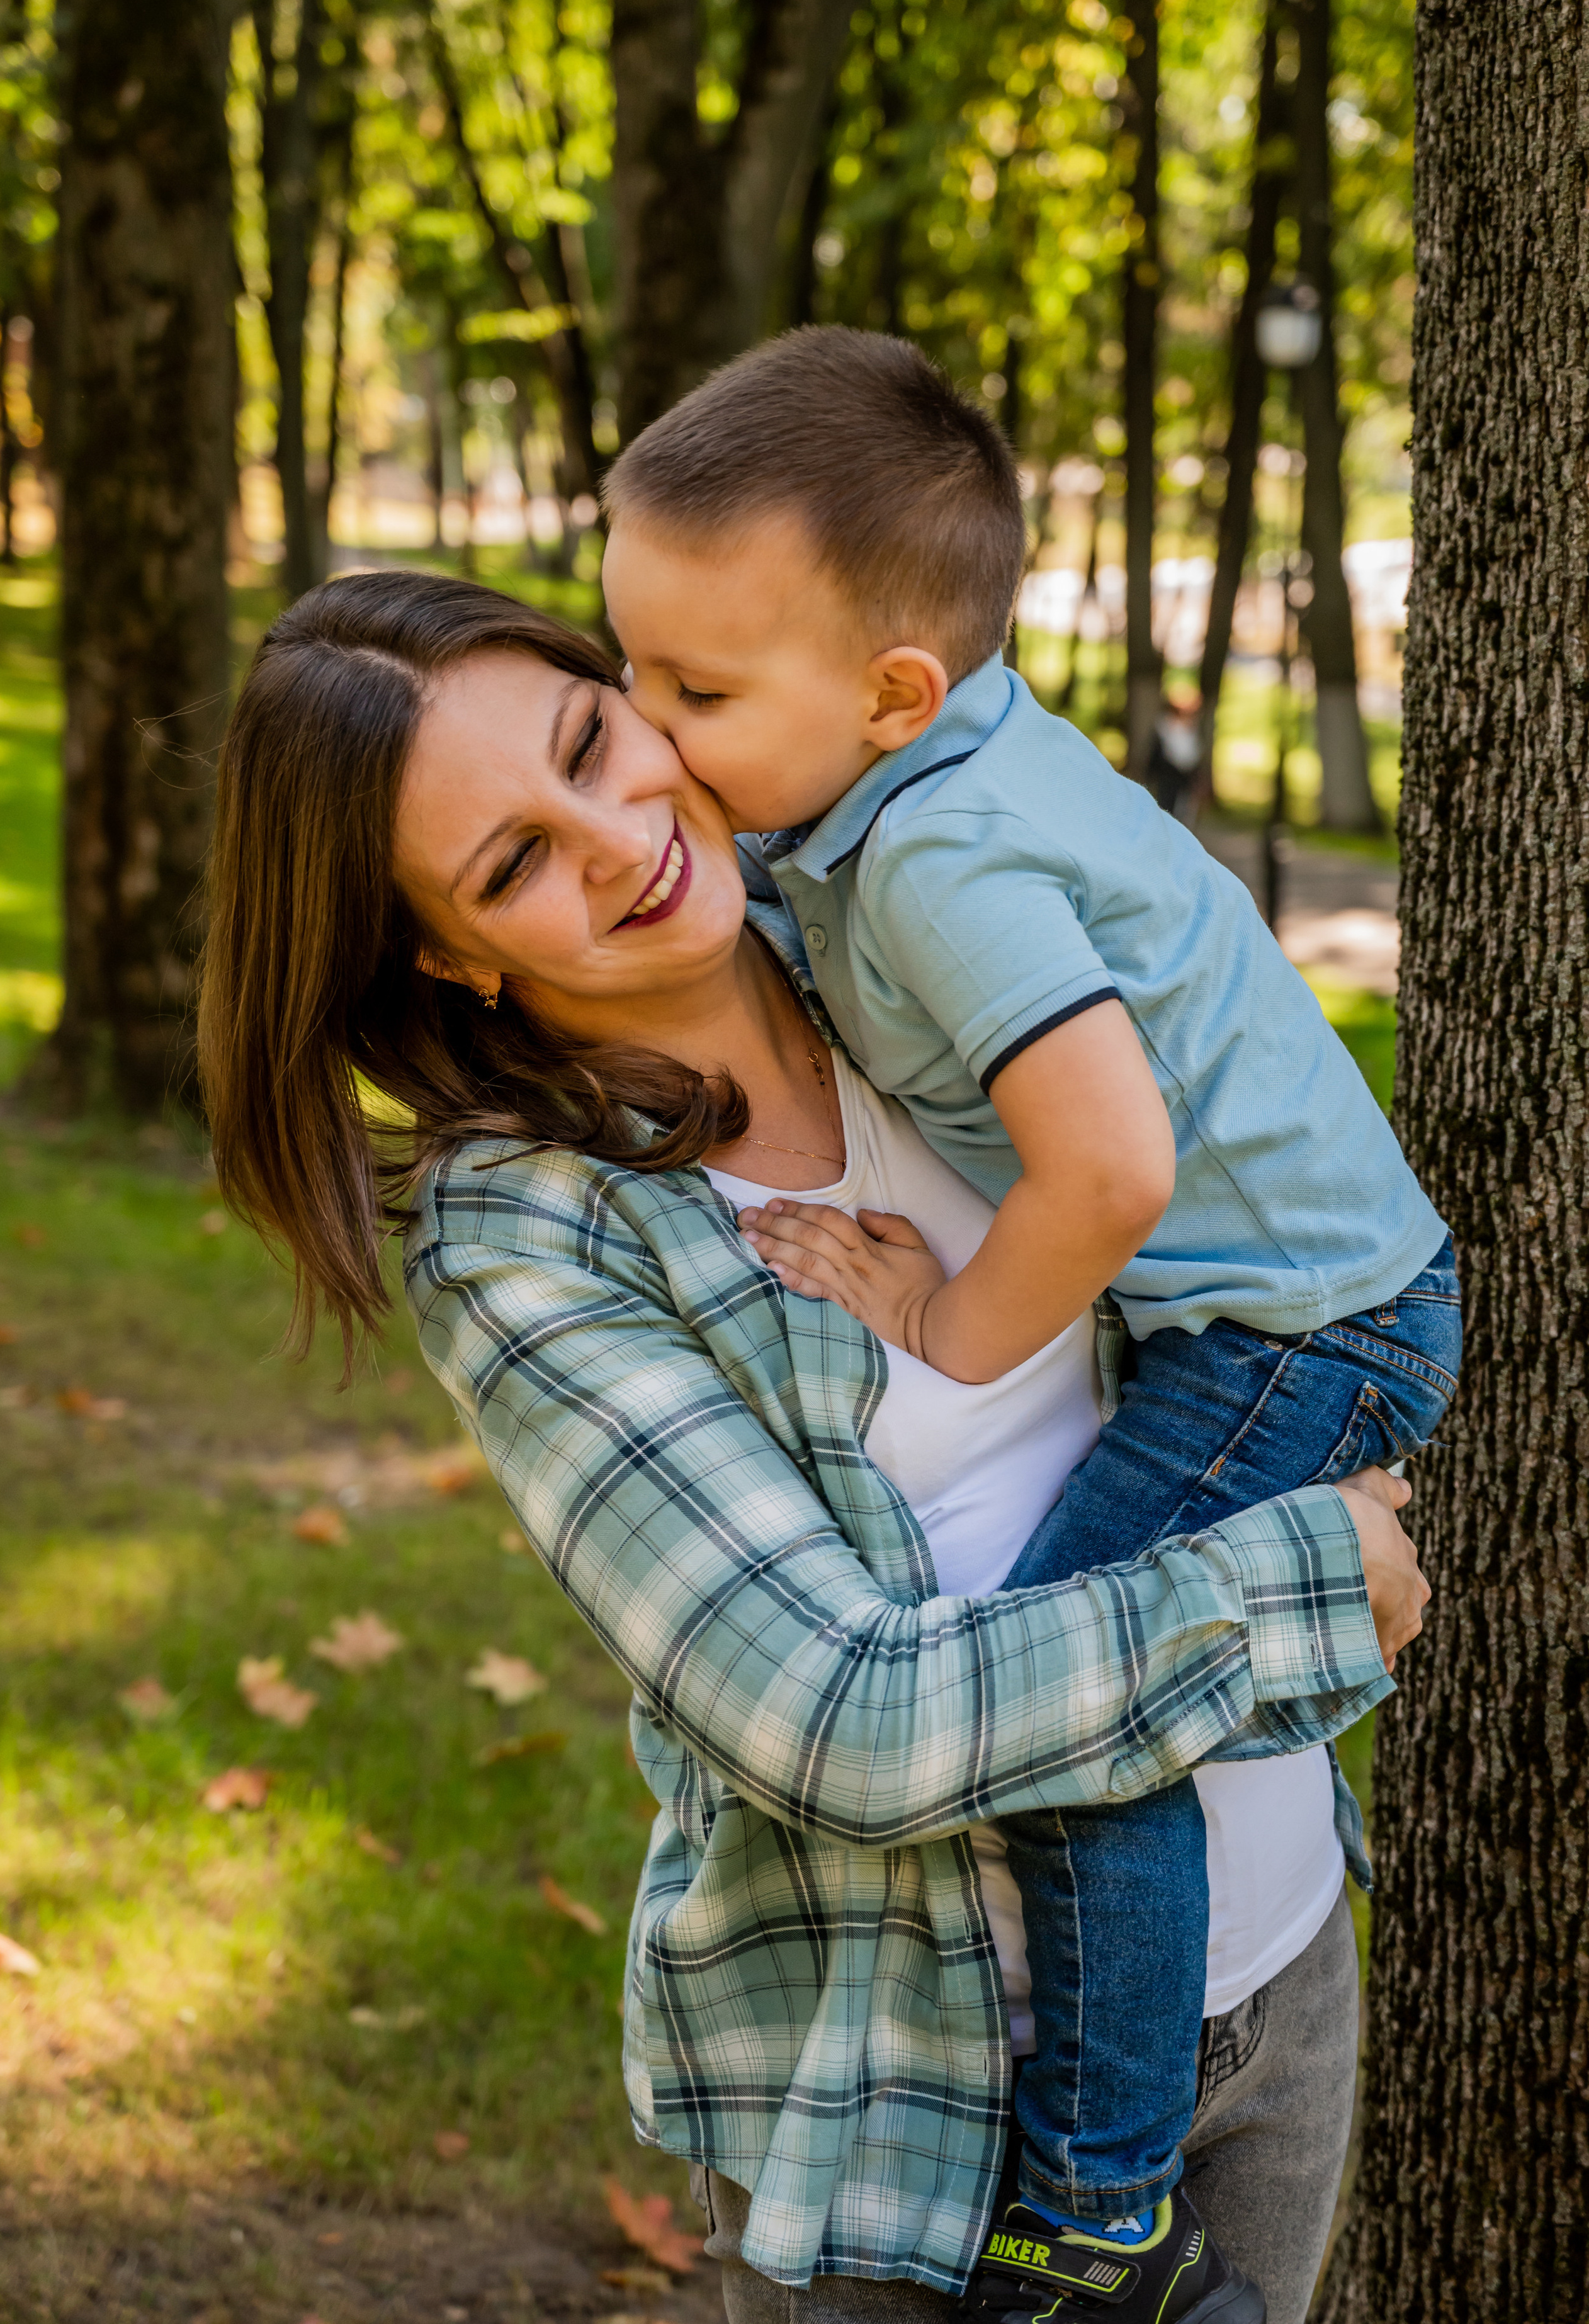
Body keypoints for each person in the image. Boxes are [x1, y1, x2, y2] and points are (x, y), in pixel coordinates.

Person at [199, 570, 1430, 2324]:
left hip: (1282, 1960)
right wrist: (1302, 1581)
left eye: (591, 740)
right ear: (446, 952)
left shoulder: (900, 916)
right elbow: (832, 1715)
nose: (622, 837)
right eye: (514, 862)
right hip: (931, 2099)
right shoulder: (530, 1240)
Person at [596, 327, 1462, 2313]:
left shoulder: (946, 858)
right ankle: (1116, 2171)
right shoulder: (916, 775)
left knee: (1089, 1709)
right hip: (1299, 1298)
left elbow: (1115, 1172)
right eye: (625, 667)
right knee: (1109, 1673)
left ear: (892, 693)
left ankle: (1101, 2202)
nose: (648, 733)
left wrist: (953, 1322)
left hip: (1303, 1326)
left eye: (696, 690)